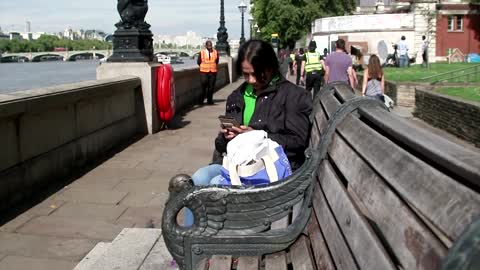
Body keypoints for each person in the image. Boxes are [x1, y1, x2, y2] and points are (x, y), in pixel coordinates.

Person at [185, 40, 313, 226]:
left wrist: (256, 135)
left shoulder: (293, 96)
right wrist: (226, 137)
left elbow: (298, 141)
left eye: (258, 74)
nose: (252, 80)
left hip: (270, 172)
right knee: (197, 179)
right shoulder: (236, 96)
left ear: (271, 67)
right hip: (236, 166)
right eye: (246, 75)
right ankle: (189, 246)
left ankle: (205, 245)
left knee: (213, 183)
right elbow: (220, 146)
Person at [197, 40, 219, 105]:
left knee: (211, 87)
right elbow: (198, 62)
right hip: (204, 72)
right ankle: (201, 101)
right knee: (203, 86)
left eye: (211, 45)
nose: (210, 47)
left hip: (213, 72)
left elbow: (217, 61)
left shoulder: (215, 52)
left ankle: (210, 100)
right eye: (208, 45)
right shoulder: (202, 52)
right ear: (206, 46)